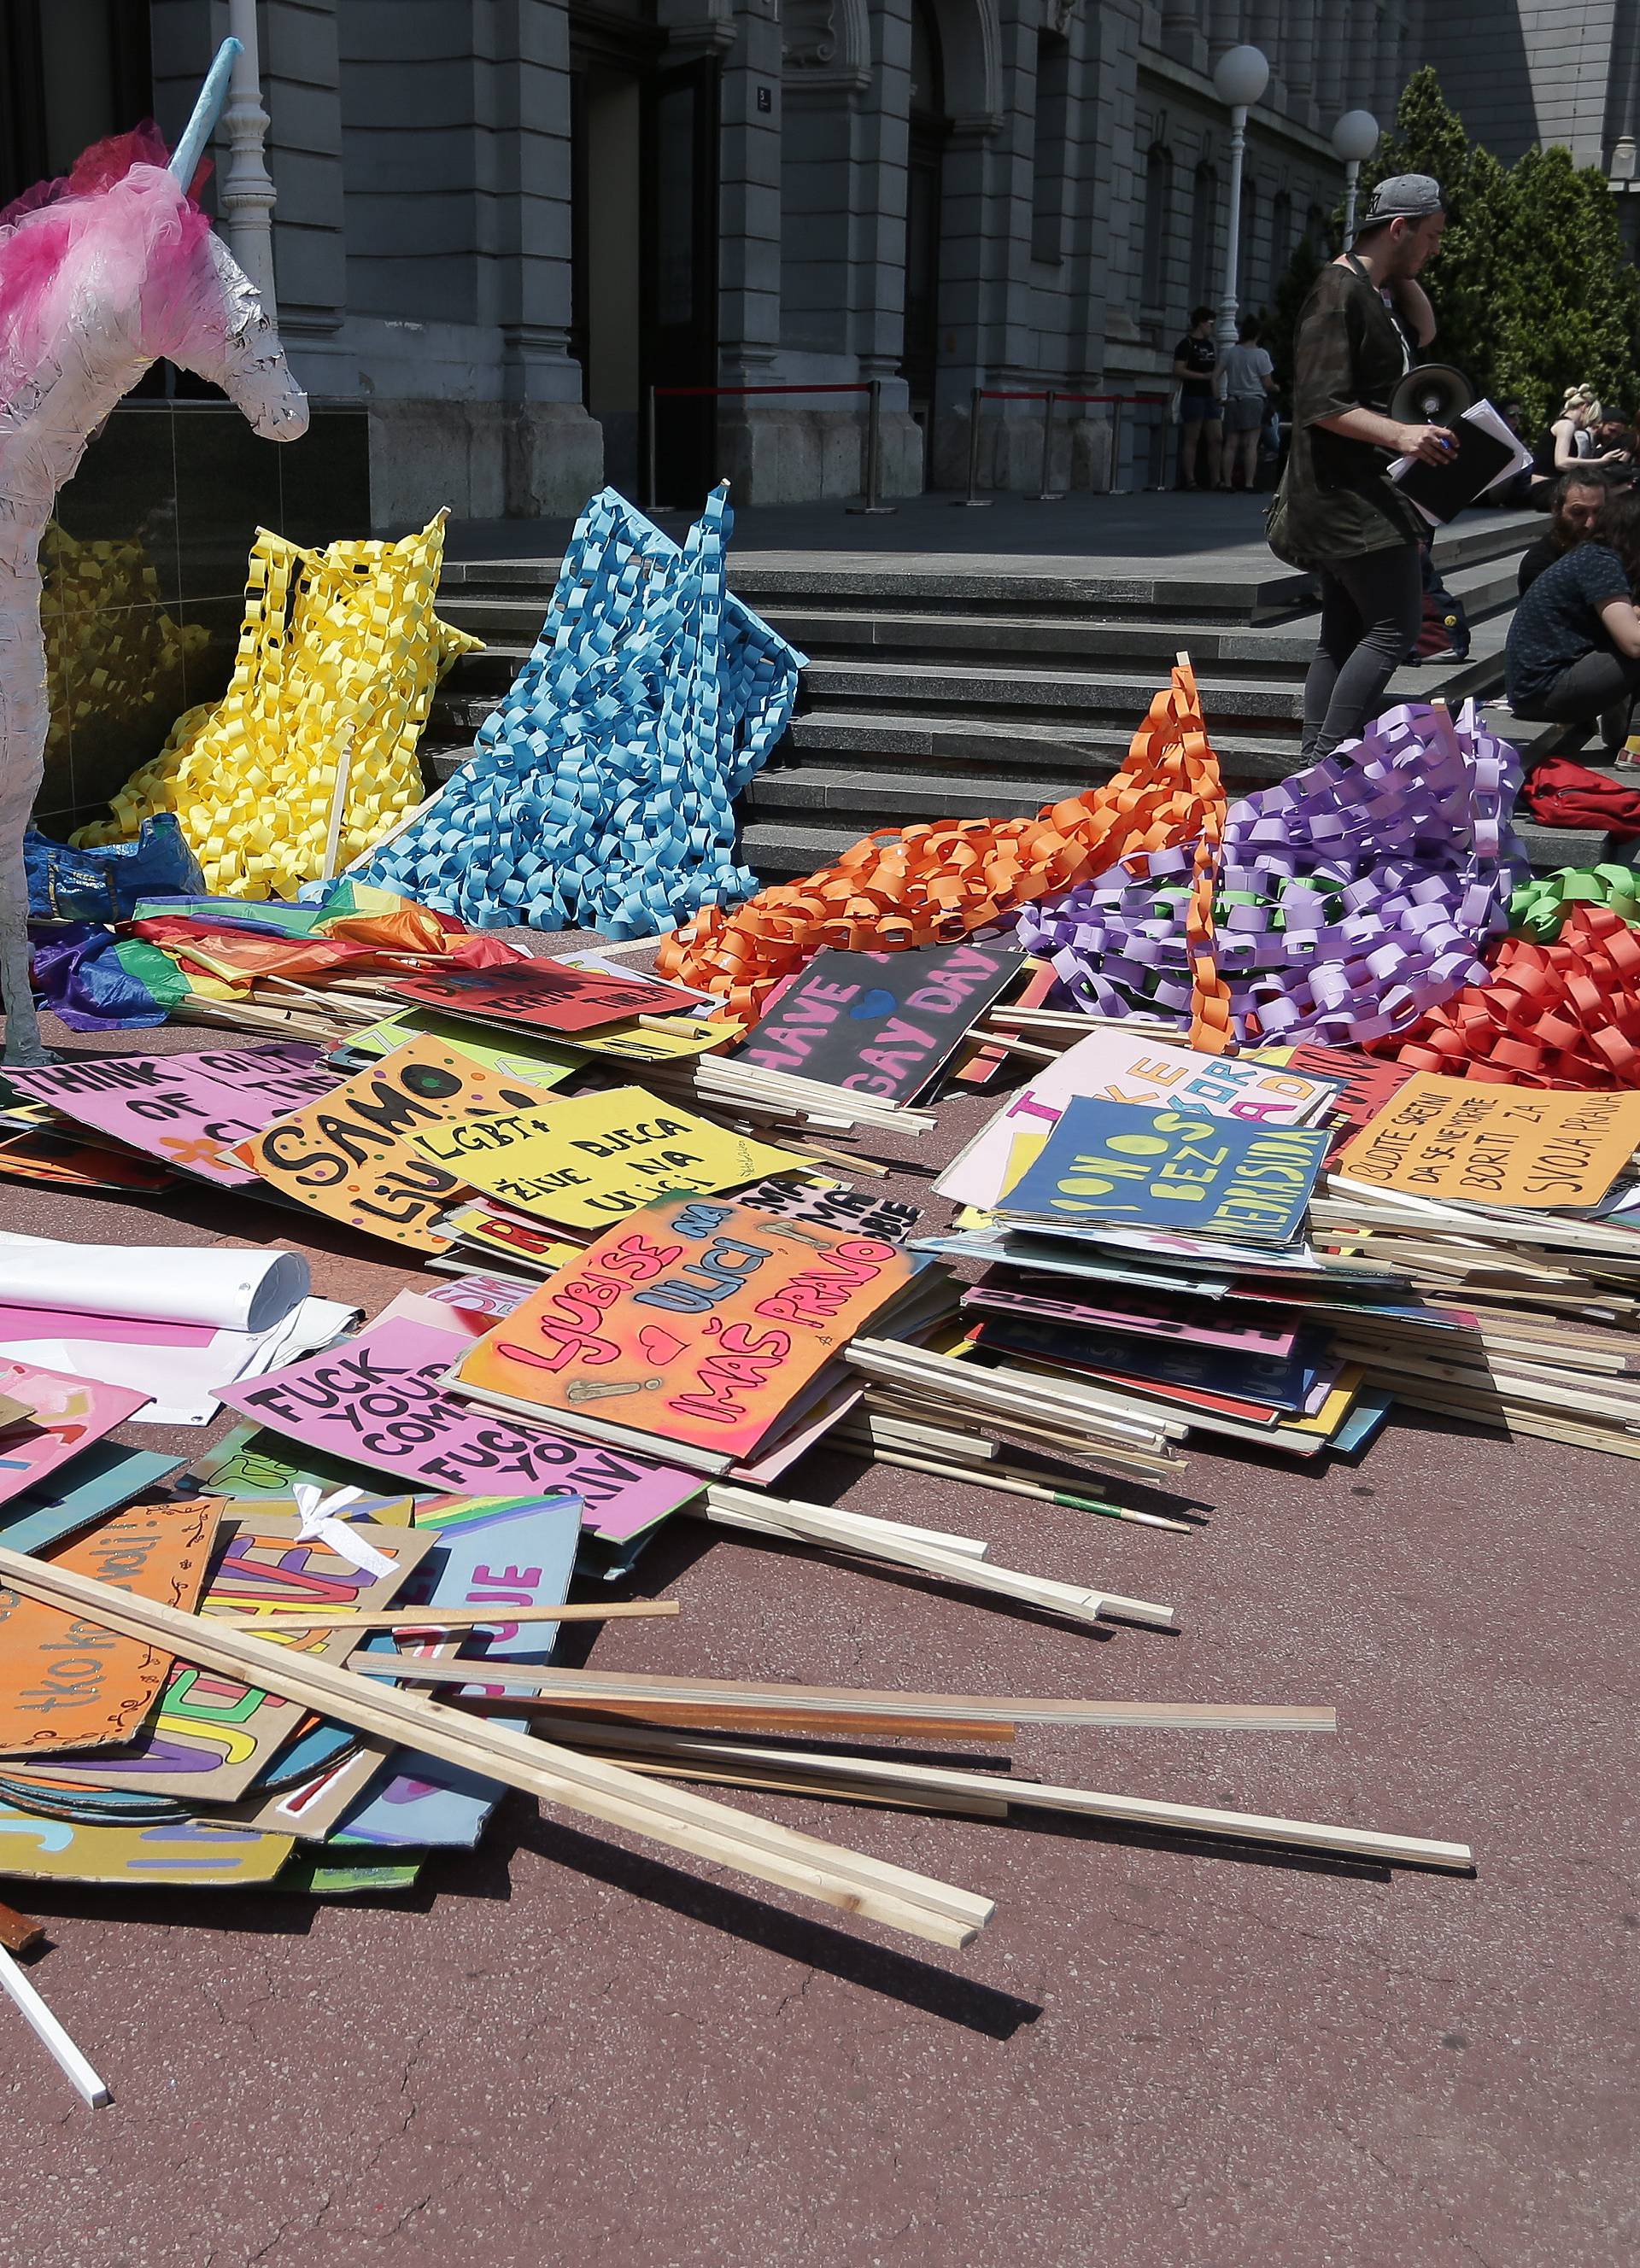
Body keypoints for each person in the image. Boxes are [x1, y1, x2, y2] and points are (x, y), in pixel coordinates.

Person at [1265, 172, 1450, 764]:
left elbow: (1425, 332)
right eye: (1430, 236)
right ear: (1398, 228)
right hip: (1349, 499)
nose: (1436, 248)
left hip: (1357, 493)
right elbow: (1320, 402)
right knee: (1395, 625)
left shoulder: (1374, 290)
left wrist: (1405, 269)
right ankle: (1328, 764)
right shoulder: (1336, 292)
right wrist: (1403, 434)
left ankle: (1312, 770)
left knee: (1342, 635)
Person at [1506, 483, 1640, 749]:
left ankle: (1622, 735)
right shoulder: (1599, 562)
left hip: (1538, 688)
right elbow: (1633, 643)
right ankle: (1635, 746)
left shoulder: (1595, 555)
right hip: (1544, 691)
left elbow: (1624, 617)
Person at [1517, 467, 1614, 594]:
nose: (1590, 524)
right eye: (1578, 512)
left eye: (1598, 512)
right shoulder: (1540, 566)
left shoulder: (1615, 548)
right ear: (1557, 509)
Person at [1527, 384, 1625, 506]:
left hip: (1551, 487)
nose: (1588, 425)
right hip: (1545, 489)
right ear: (1584, 407)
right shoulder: (1566, 425)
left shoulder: (1564, 424)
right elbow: (1562, 462)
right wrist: (1601, 461)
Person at [1218, 316, 1277, 491]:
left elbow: (1216, 376)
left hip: (1233, 400)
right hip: (1254, 400)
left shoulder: (1230, 352)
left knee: (1230, 444)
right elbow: (1267, 383)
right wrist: (1277, 387)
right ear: (1258, 334)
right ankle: (1249, 483)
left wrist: (1217, 398)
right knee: (1251, 444)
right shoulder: (1261, 354)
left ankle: (1227, 483)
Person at [1172, 306, 1222, 490]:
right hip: (1193, 395)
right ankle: (1190, 479)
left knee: (1216, 438)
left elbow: (1214, 372)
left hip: (1209, 396)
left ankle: (1216, 479)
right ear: (1201, 323)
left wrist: (1217, 396)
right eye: (1210, 324)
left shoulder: (1209, 345)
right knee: (1192, 438)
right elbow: (1178, 369)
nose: (1212, 328)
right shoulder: (1186, 344)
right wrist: (1202, 377)